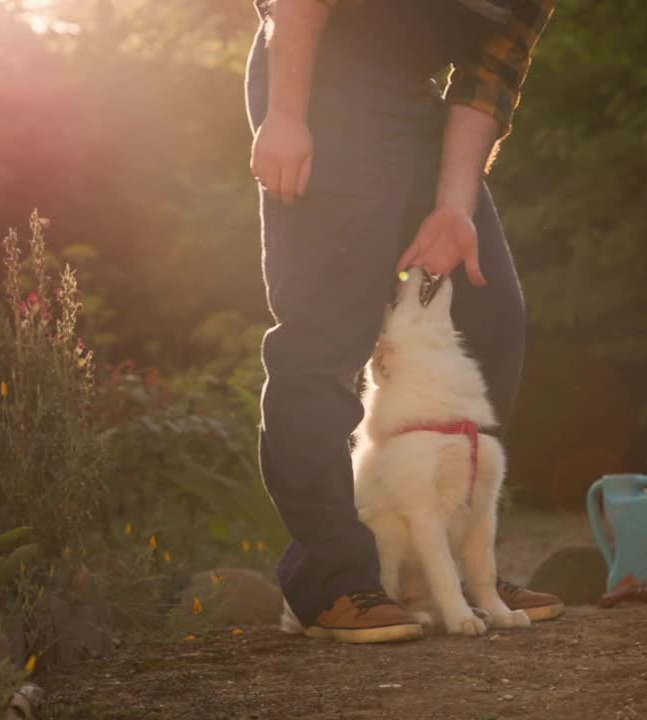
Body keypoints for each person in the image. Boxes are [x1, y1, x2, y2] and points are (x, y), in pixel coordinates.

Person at [246, 0, 560, 643]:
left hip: (411, 97)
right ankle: (332, 582)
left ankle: (453, 573)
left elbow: (488, 77)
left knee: (486, 310)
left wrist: (453, 209)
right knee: (328, 330)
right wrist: (285, 114)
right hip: (321, 75)